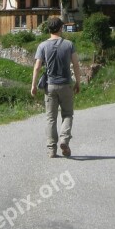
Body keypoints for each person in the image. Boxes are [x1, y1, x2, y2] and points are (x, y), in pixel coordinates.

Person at [31, 16, 81, 158]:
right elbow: (76, 65)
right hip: (66, 85)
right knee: (67, 114)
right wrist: (78, 82)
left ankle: (51, 150)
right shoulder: (69, 44)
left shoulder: (42, 46)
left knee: (50, 118)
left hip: (50, 86)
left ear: (48, 29)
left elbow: (37, 67)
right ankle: (64, 140)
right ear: (61, 28)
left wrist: (33, 85)